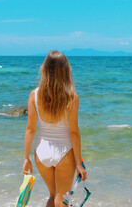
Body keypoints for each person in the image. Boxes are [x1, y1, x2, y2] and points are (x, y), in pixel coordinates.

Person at [23, 50, 87, 207]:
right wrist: (78, 163)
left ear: (44, 69)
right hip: (64, 151)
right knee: (62, 200)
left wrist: (26, 158)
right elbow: (73, 132)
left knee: (53, 197)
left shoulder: (34, 95)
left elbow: (30, 129)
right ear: (66, 69)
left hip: (41, 152)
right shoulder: (71, 96)